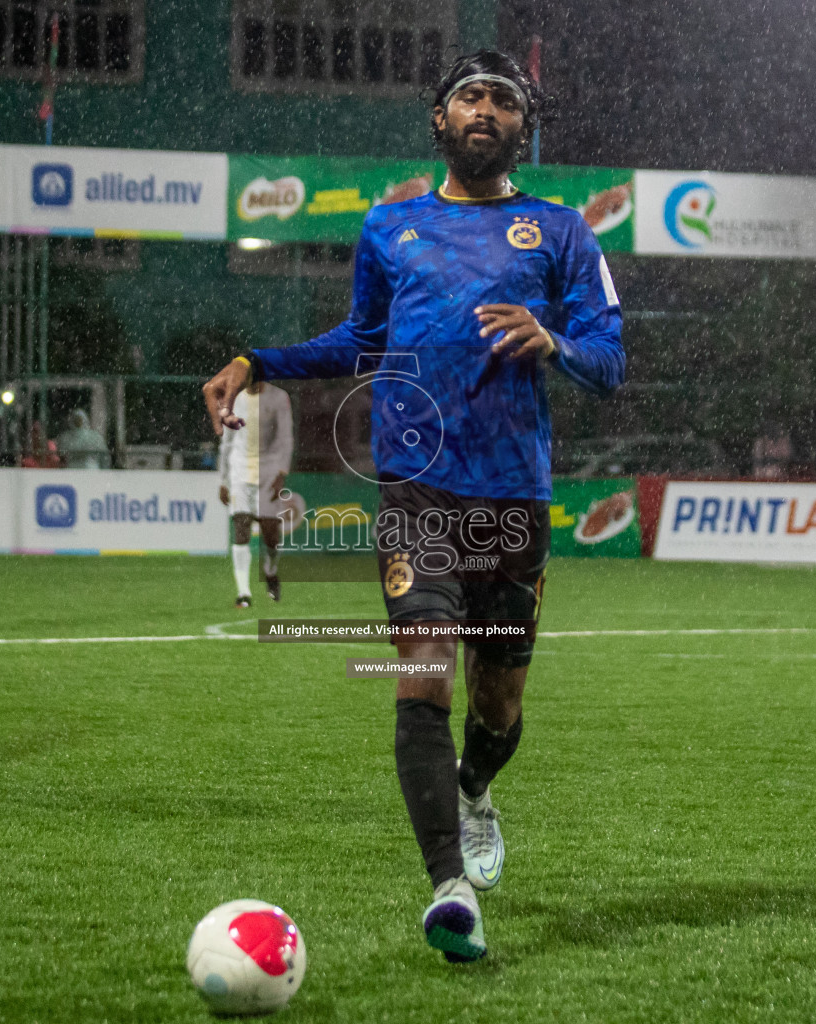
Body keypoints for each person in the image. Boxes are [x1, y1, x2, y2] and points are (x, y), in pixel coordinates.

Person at [201, 50, 623, 963]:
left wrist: (553, 339)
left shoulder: (560, 234)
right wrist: (259, 360)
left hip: (512, 497)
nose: (485, 111)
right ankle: (450, 887)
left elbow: (611, 360)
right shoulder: (391, 229)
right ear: (439, 119)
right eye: (469, 97)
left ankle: (474, 791)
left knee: (500, 708)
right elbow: (360, 340)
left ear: (524, 127)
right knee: (423, 666)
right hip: (416, 489)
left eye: (504, 102)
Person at [217, 380, 294, 607]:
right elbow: (227, 442)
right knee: (241, 526)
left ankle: (271, 572)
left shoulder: (279, 397)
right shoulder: (234, 400)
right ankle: (243, 594)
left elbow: (285, 438)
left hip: (268, 471)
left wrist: (282, 472)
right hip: (240, 471)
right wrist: (223, 480)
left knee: (270, 534)